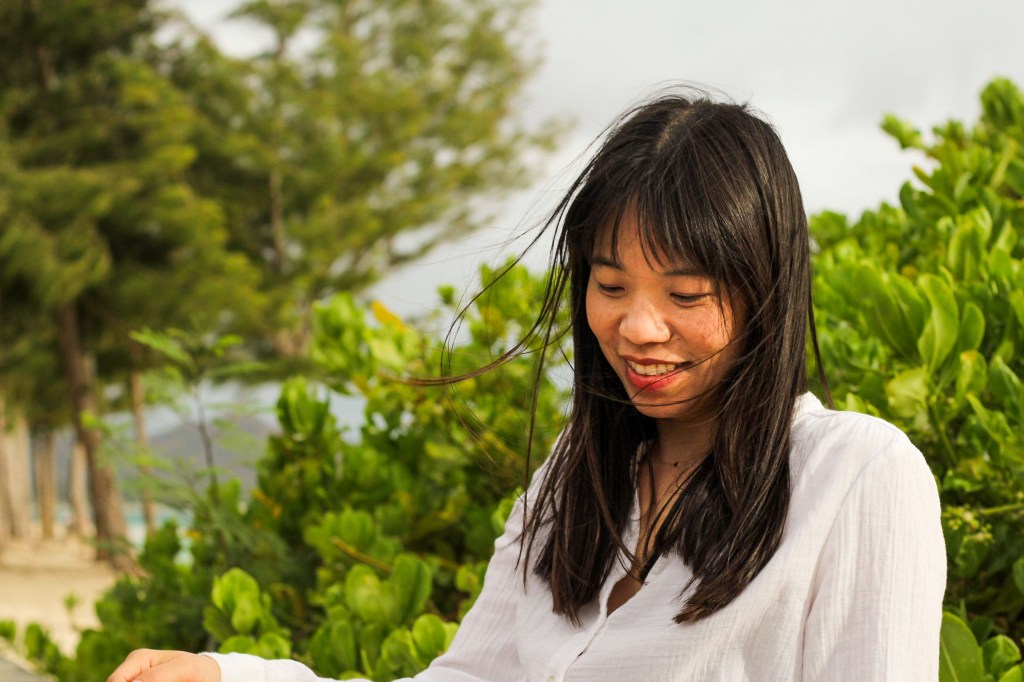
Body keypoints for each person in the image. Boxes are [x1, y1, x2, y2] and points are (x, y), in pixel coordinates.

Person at [109, 92, 946, 682]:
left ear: (767, 290)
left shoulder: (857, 476)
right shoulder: (575, 479)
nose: (637, 327)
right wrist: (230, 676)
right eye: (610, 286)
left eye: (686, 296)